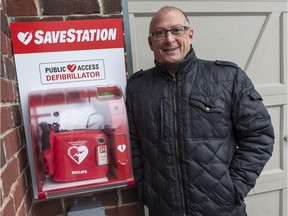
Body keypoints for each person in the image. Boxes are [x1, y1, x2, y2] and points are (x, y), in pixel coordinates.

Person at [125, 6, 274, 216]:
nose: (169, 39)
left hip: (222, 210)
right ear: (151, 43)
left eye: (177, 30)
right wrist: (146, 190)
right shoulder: (137, 89)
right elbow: (134, 147)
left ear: (190, 34)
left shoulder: (228, 78)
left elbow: (259, 136)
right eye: (160, 33)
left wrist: (234, 187)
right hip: (164, 210)